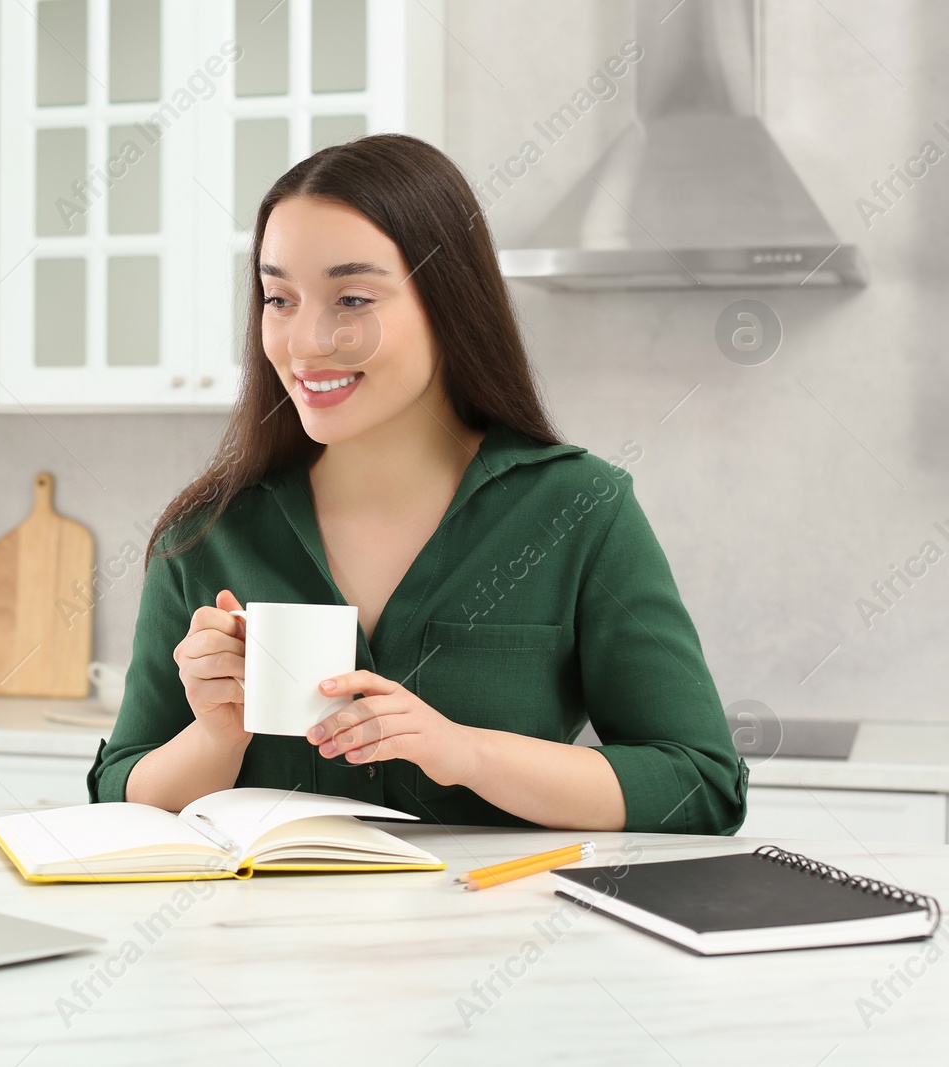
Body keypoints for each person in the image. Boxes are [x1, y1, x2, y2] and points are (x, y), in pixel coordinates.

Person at [84, 134, 747, 834]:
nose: (305, 340)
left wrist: (465, 752)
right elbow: (120, 789)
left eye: (352, 298)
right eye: (279, 298)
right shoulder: (205, 535)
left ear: (449, 303)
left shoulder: (580, 509)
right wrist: (217, 734)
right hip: (264, 941)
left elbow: (699, 784)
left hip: (497, 935)